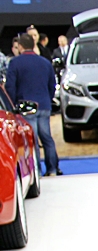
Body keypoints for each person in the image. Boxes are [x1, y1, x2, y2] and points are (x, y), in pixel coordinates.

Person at [5, 33, 60, 176]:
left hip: (26, 106)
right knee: (47, 138)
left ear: (20, 46)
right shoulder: (45, 62)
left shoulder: (15, 63)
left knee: (32, 139)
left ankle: (36, 171)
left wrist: (13, 104)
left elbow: (10, 86)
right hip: (44, 104)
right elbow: (52, 85)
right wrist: (47, 99)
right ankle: (52, 169)